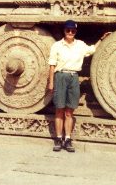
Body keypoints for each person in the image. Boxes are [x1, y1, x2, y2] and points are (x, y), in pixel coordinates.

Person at [47, 19, 109, 152]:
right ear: (64, 31)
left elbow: (91, 50)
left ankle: (68, 139)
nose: (70, 32)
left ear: (75, 32)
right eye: (68, 30)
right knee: (59, 109)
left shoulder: (80, 45)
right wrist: (51, 82)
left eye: (73, 30)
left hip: (73, 77)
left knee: (69, 111)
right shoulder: (57, 46)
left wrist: (102, 39)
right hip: (60, 76)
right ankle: (58, 139)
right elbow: (52, 65)